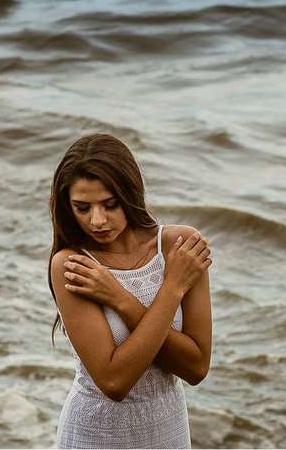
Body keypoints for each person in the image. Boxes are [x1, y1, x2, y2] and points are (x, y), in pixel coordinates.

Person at [47, 133, 213, 449]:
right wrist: (173, 288)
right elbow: (114, 381)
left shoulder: (180, 249)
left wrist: (119, 298)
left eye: (110, 205)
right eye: (82, 208)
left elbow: (195, 367)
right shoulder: (73, 264)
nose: (97, 220)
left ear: (130, 193)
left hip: (168, 430)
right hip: (96, 436)